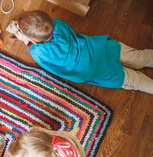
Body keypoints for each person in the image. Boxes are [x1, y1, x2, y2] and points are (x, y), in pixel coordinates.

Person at [14, 10, 153, 94]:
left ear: (33, 39)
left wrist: (26, 41)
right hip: (102, 49)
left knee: (135, 80)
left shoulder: (39, 52)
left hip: (97, 71)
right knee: (139, 56)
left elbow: (34, 50)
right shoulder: (57, 24)